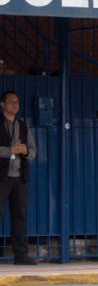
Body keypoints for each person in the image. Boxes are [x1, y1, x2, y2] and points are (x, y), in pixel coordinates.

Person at [0, 90, 37, 265]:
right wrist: (9, 151)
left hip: (19, 177)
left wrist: (26, 151)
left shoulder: (23, 126)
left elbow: (33, 150)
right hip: (2, 177)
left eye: (17, 101)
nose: (15, 104)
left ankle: (20, 255)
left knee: (19, 216)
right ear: (2, 105)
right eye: (11, 101)